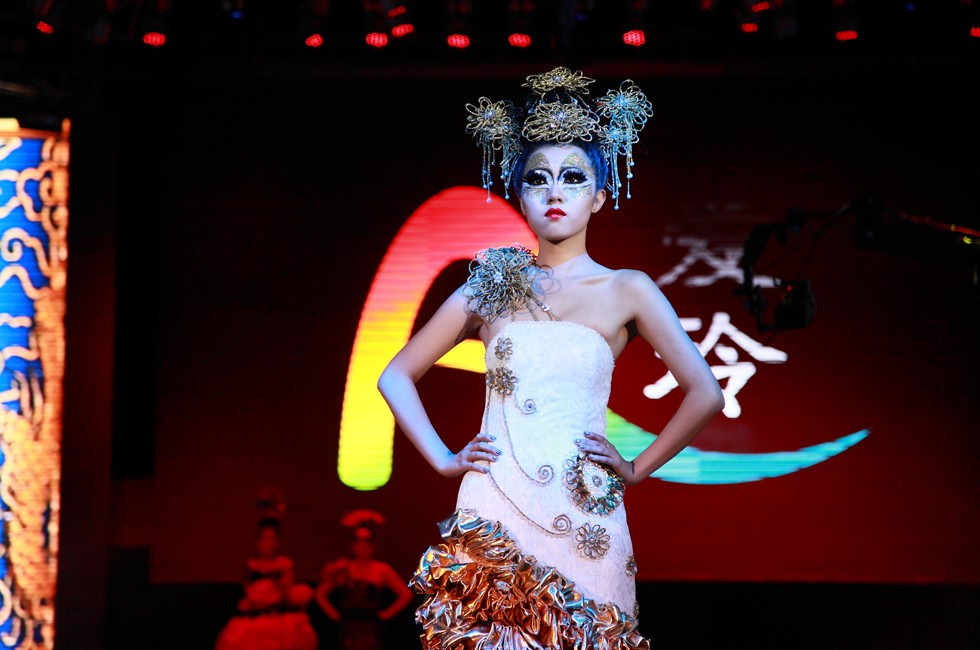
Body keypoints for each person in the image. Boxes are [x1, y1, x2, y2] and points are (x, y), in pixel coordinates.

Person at [377, 67, 725, 649]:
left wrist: (637, 468)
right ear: (521, 195)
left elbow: (706, 393)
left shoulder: (627, 289)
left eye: (573, 177)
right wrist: (443, 459)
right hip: (494, 505)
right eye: (537, 179)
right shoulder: (489, 288)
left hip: (584, 513)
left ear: (599, 196)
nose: (554, 192)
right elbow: (395, 375)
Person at [315, 509, 414, 650]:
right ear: (353, 544)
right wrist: (336, 616)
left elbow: (406, 594)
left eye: (367, 542)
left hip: (371, 628)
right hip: (347, 628)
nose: (362, 546)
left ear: (373, 545)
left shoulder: (381, 569)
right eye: (358, 541)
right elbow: (320, 593)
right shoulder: (344, 567)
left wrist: (385, 615)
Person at [215, 518, 318, 650]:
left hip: (280, 621)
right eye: (264, 539)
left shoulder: (284, 564)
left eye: (272, 540)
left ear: (278, 542)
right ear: (257, 541)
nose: (268, 544)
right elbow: (249, 593)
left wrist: (281, 586)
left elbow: (288, 597)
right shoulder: (250, 565)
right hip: (254, 620)